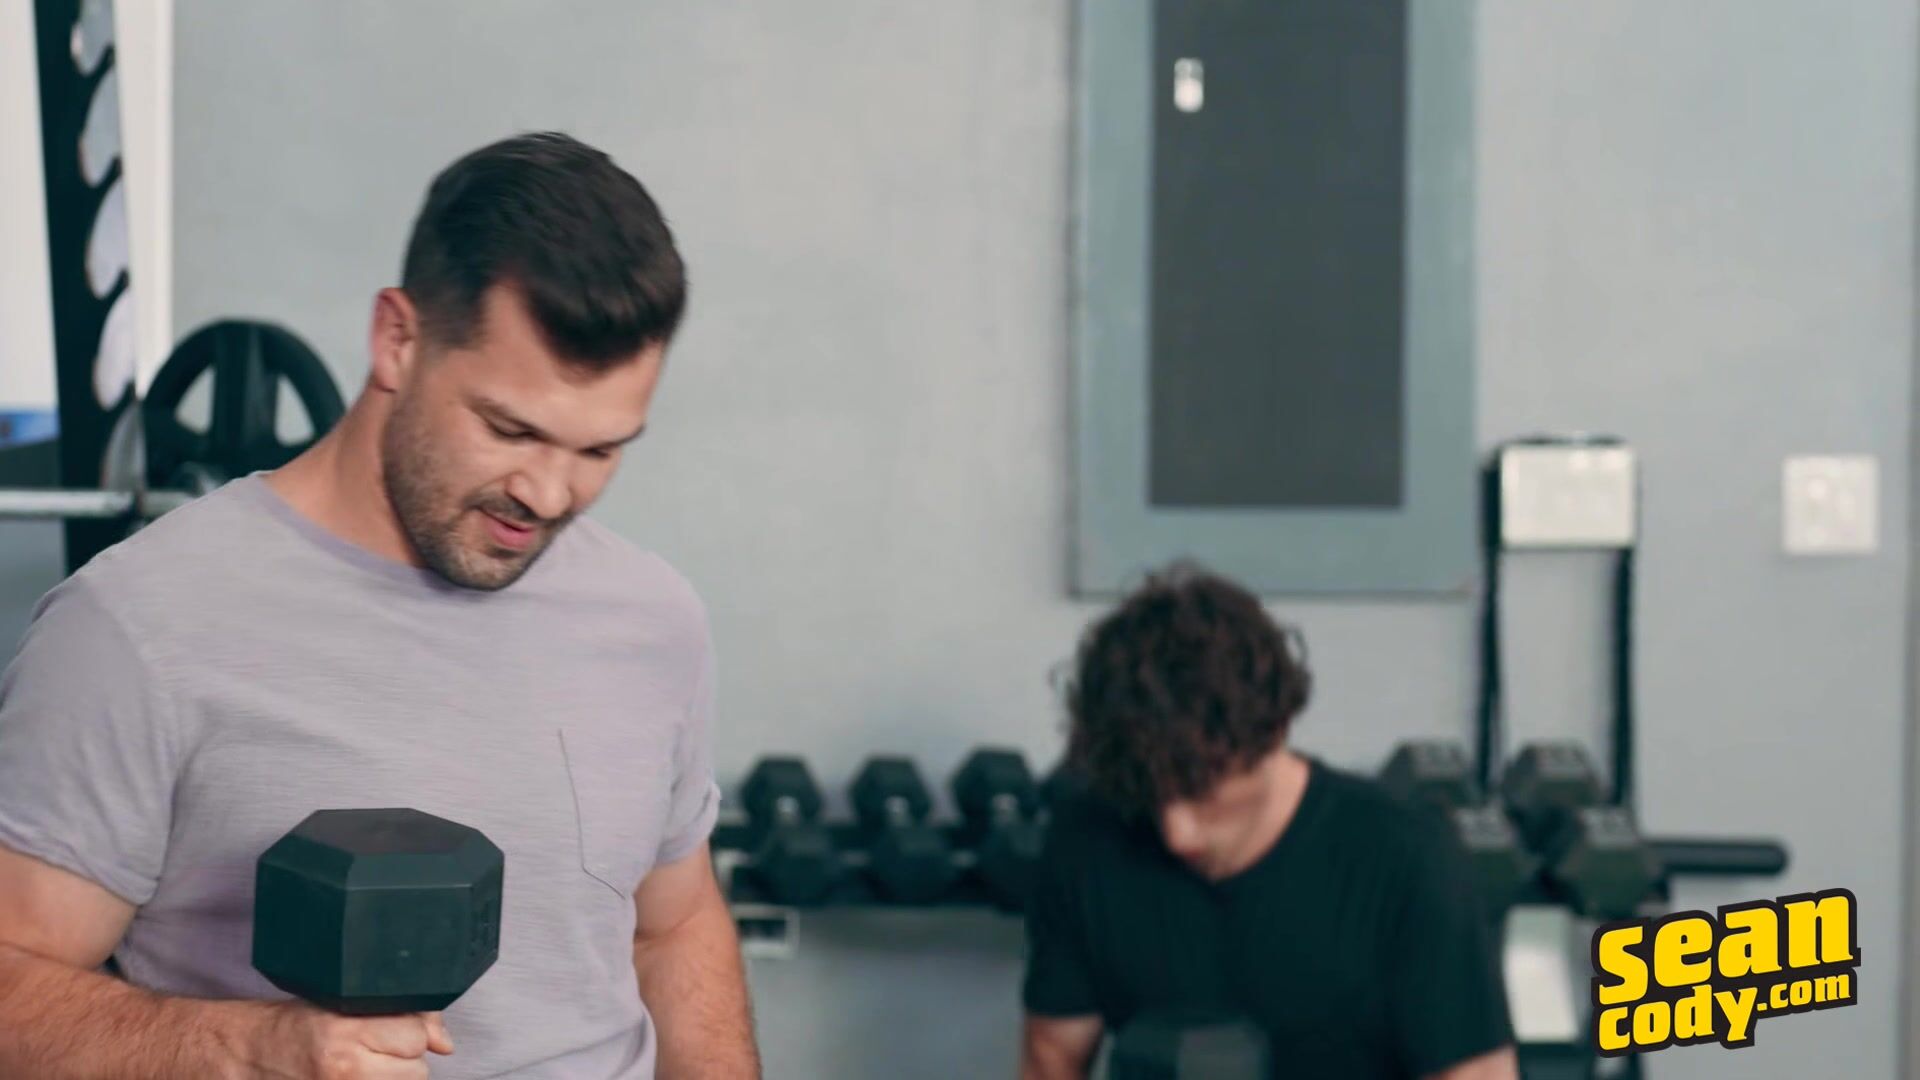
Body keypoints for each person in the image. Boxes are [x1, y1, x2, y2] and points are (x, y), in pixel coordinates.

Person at [0, 132, 759, 1079]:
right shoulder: (139, 626)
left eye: (600, 450)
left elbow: (672, 927)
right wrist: (248, 1048)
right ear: (398, 340)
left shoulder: (653, 619)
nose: (549, 494)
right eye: (509, 429)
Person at [1021, 565, 1516, 1080]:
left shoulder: (1406, 861)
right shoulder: (1087, 842)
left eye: (1203, 792)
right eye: (1148, 795)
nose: (1177, 834)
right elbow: (1050, 1058)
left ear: (1275, 732)